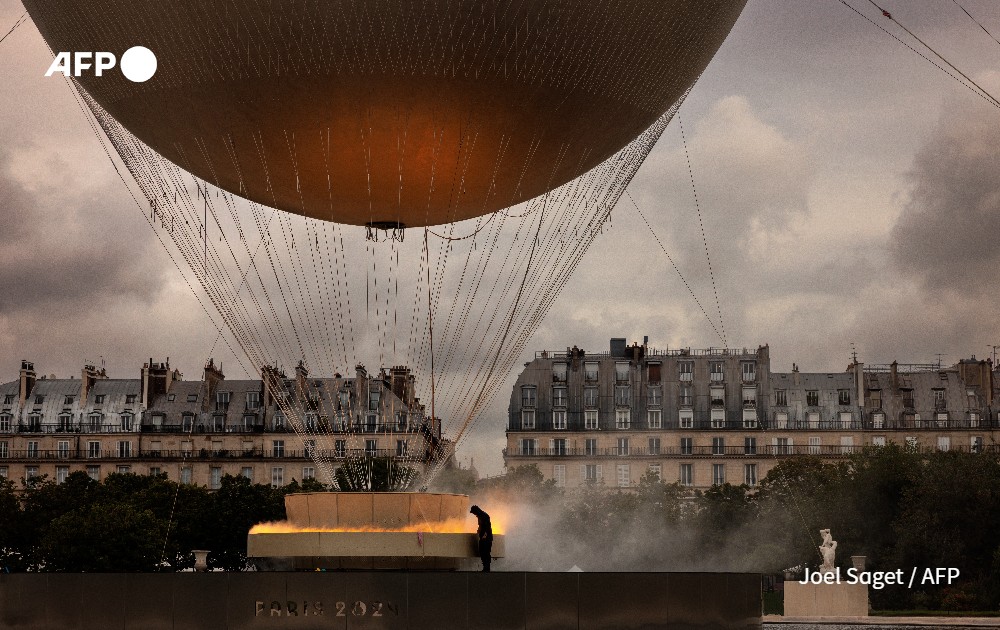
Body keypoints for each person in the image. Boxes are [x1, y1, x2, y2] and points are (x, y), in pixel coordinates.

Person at [470, 505, 493, 572]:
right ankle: (485, 567)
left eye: (474, 513)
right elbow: (481, 526)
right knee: (482, 552)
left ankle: (487, 568)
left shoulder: (484, 516)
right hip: (483, 538)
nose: (474, 514)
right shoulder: (480, 516)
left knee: (486, 553)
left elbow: (487, 527)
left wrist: (485, 535)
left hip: (486, 538)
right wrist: (479, 531)